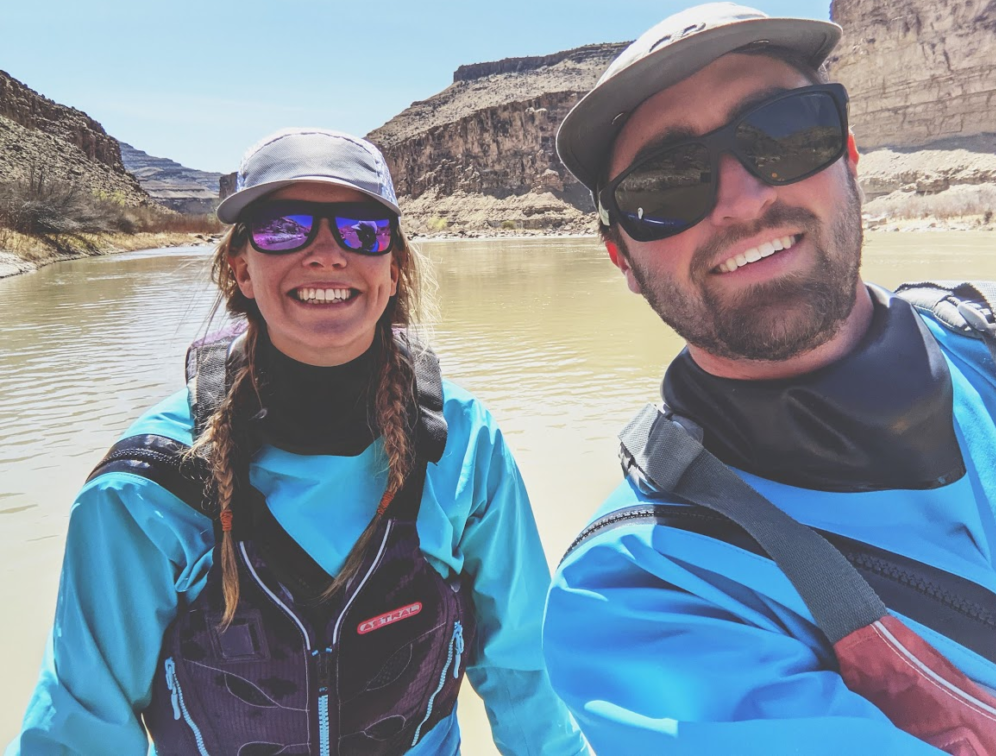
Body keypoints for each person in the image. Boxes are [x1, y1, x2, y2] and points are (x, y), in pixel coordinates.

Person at [543, 2, 996, 755]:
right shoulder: (641, 592)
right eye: (667, 185)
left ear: (850, 157)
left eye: (786, 134)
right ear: (621, 260)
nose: (743, 201)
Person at [10, 128, 587, 756]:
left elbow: (525, 669)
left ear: (393, 270)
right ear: (242, 269)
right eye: (284, 227)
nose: (325, 254)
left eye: (360, 230)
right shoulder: (150, 484)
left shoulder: (466, 446)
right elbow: (83, 723)